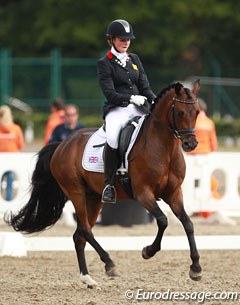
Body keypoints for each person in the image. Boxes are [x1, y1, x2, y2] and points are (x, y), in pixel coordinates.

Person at [97, 19, 156, 204]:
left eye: (128, 39)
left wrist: (155, 100)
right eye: (122, 39)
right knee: (113, 137)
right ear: (112, 39)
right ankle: (108, 184)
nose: (126, 42)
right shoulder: (104, 63)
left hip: (139, 107)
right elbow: (109, 93)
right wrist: (130, 98)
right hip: (117, 109)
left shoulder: (135, 59)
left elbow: (144, 86)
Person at [0, 105, 25, 200]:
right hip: (13, 158)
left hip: (1, 158)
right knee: (10, 182)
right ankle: (8, 200)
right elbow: (20, 144)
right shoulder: (16, 128)